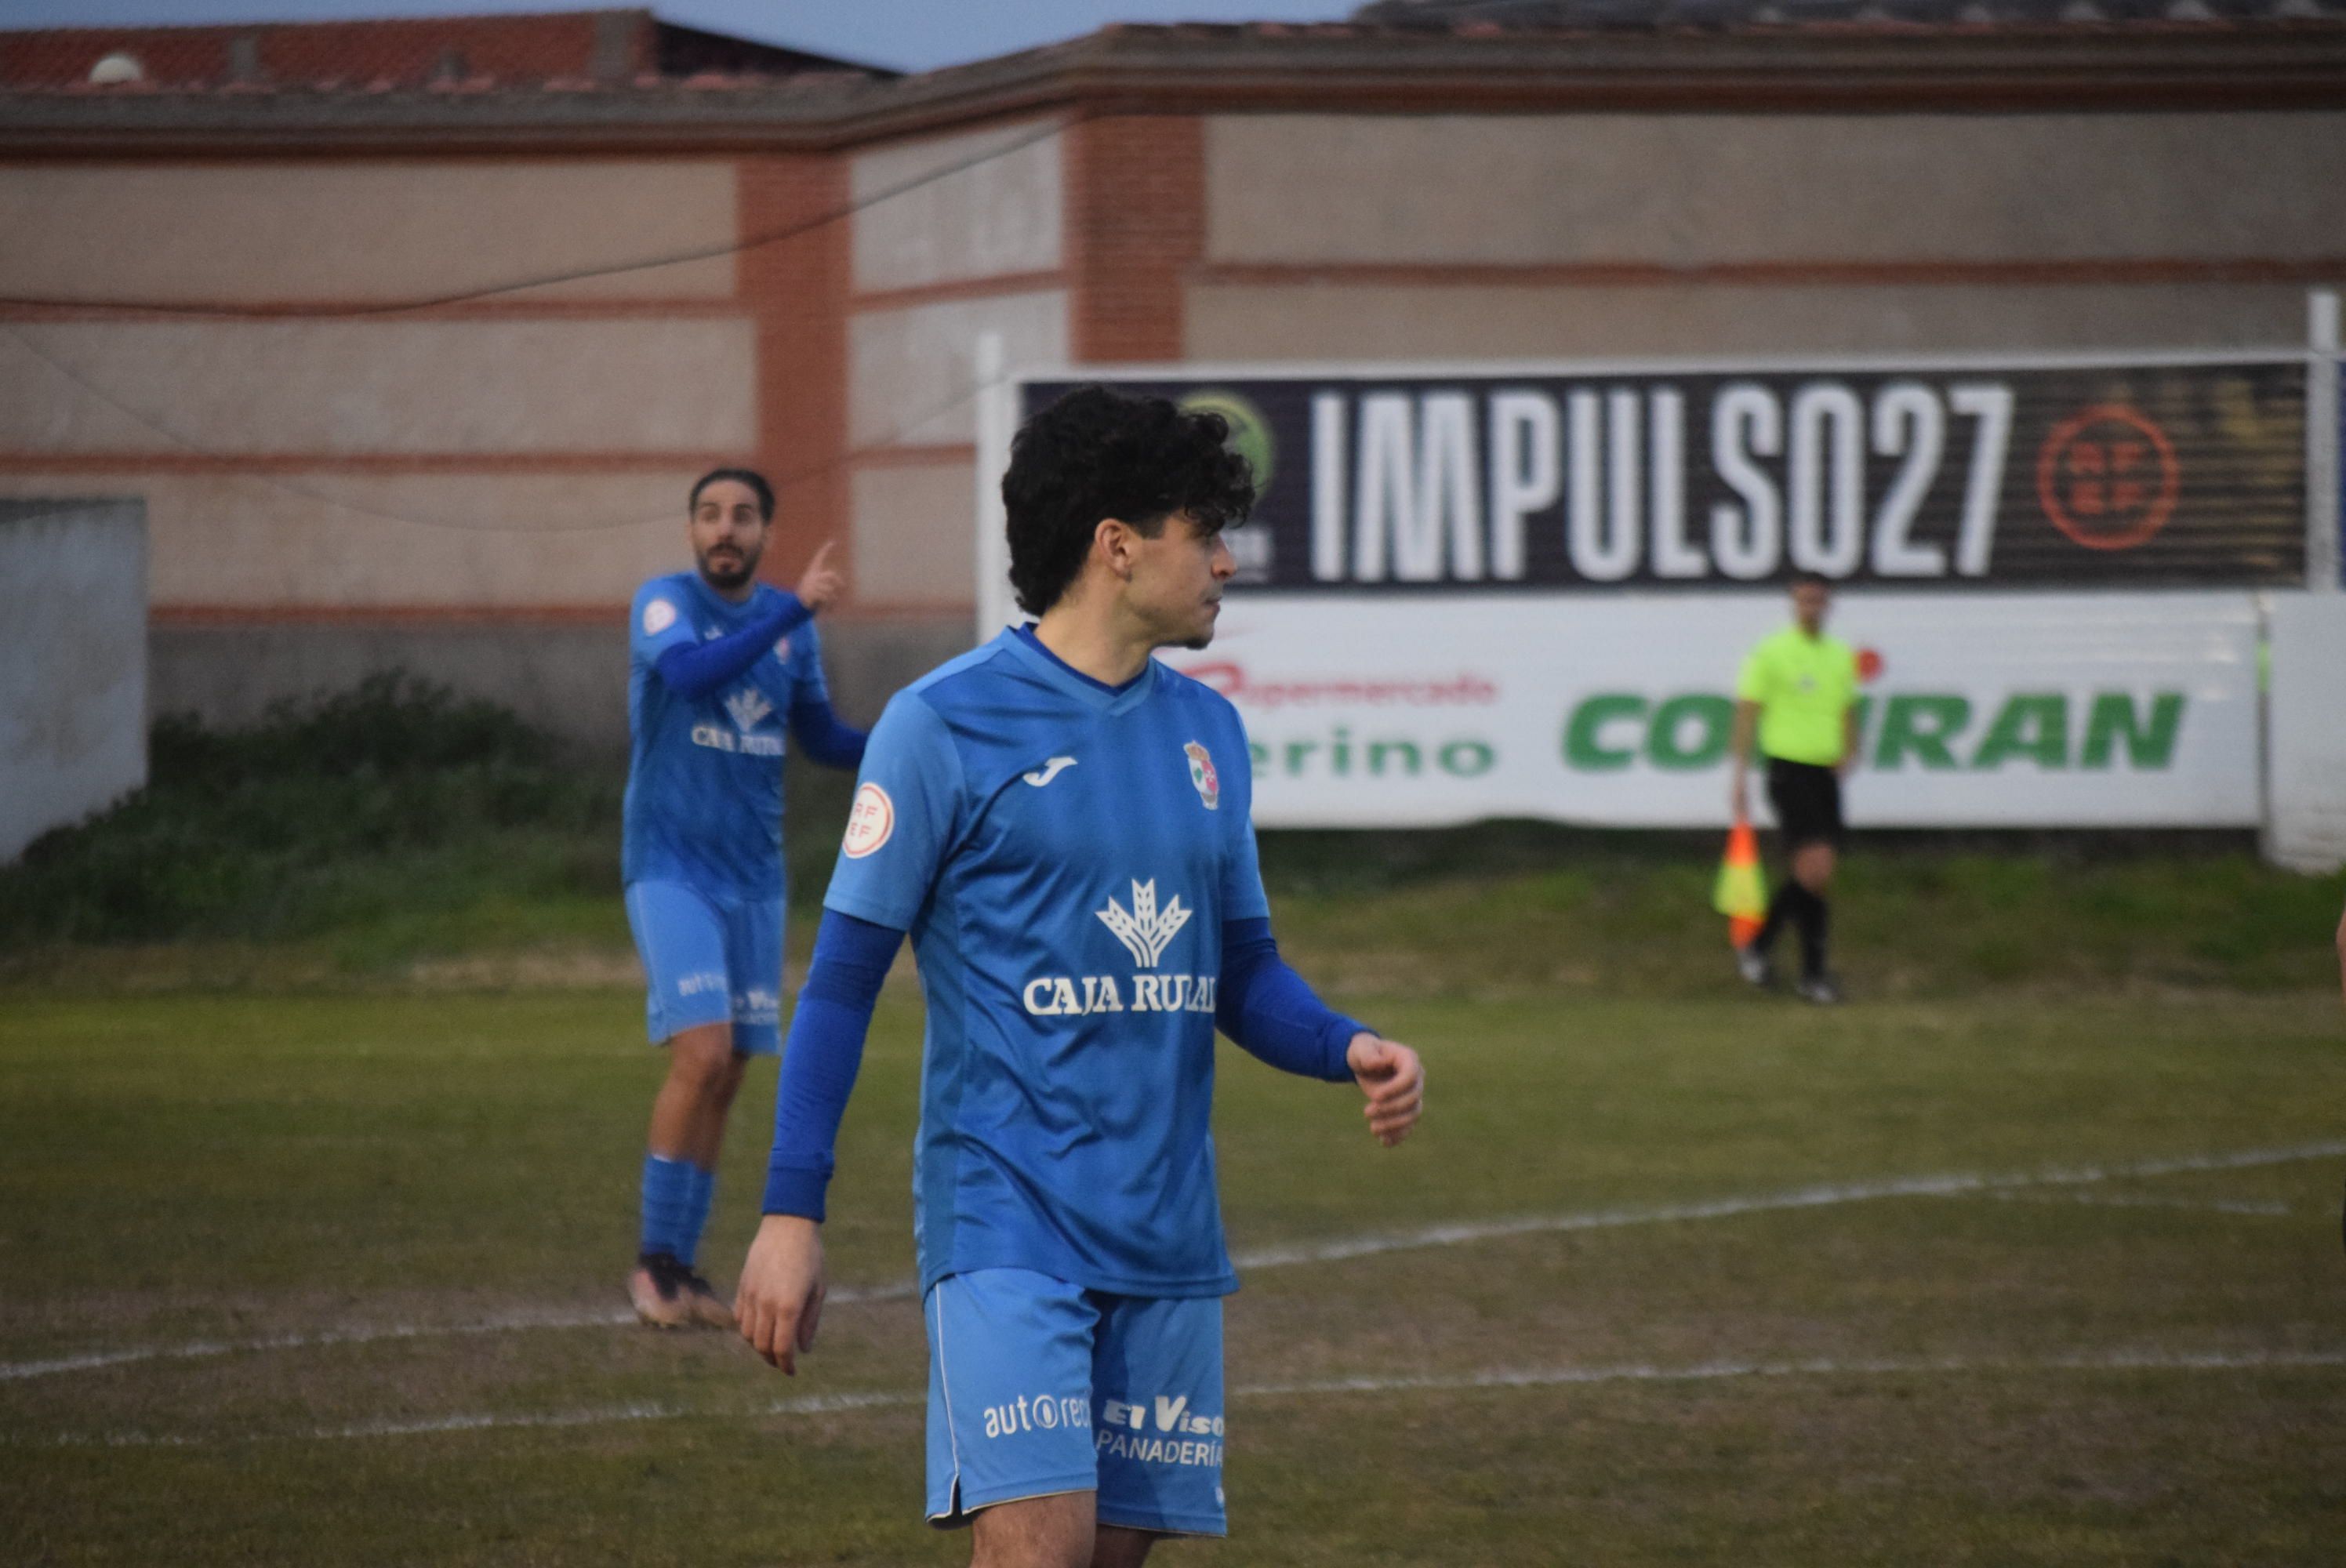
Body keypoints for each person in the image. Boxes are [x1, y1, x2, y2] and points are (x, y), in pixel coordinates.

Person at [733, 387, 1425, 1568]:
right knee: (1039, 1551)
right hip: (1007, 1216)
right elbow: (843, 983)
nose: (1224, 562)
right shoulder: (940, 724)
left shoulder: (1209, 738)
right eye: (1201, 531)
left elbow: (1241, 971)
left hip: (1165, 1229)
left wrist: (1341, 1043)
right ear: (1117, 546)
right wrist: (790, 1211)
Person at [621, 467, 866, 1329]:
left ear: (765, 529)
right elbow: (689, 675)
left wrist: (924, 738)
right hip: (671, 869)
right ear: (692, 528)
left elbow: (825, 739)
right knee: (700, 1054)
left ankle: (682, 1269)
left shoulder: (788, 634)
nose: (725, 528)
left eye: (743, 515)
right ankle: (652, 1265)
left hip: (753, 881)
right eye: (710, 514)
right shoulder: (665, 604)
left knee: (727, 1072)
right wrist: (793, 608)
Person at [1727, 570, 1860, 1005]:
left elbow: (1846, 707)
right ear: (1793, 604)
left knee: (1815, 876)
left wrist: (1850, 747)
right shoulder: (1772, 652)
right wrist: (1739, 775)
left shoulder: (1840, 655)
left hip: (1823, 772)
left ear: (1829, 605)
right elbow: (1747, 712)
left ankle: (1759, 948)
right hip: (1787, 769)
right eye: (1803, 601)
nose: (1811, 608)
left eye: (1818, 601)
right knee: (1815, 865)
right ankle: (1813, 975)